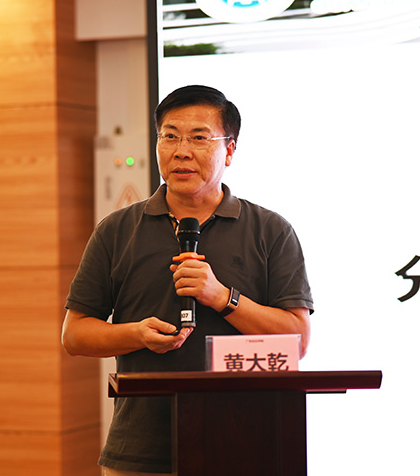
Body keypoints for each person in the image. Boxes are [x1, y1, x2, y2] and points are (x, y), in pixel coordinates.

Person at [61, 84, 313, 476]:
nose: (181, 151)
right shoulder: (117, 230)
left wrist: (222, 297)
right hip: (141, 451)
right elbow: (75, 335)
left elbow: (297, 339)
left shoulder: (270, 230)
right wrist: (136, 334)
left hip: (247, 444)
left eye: (199, 138)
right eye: (170, 136)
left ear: (230, 150)